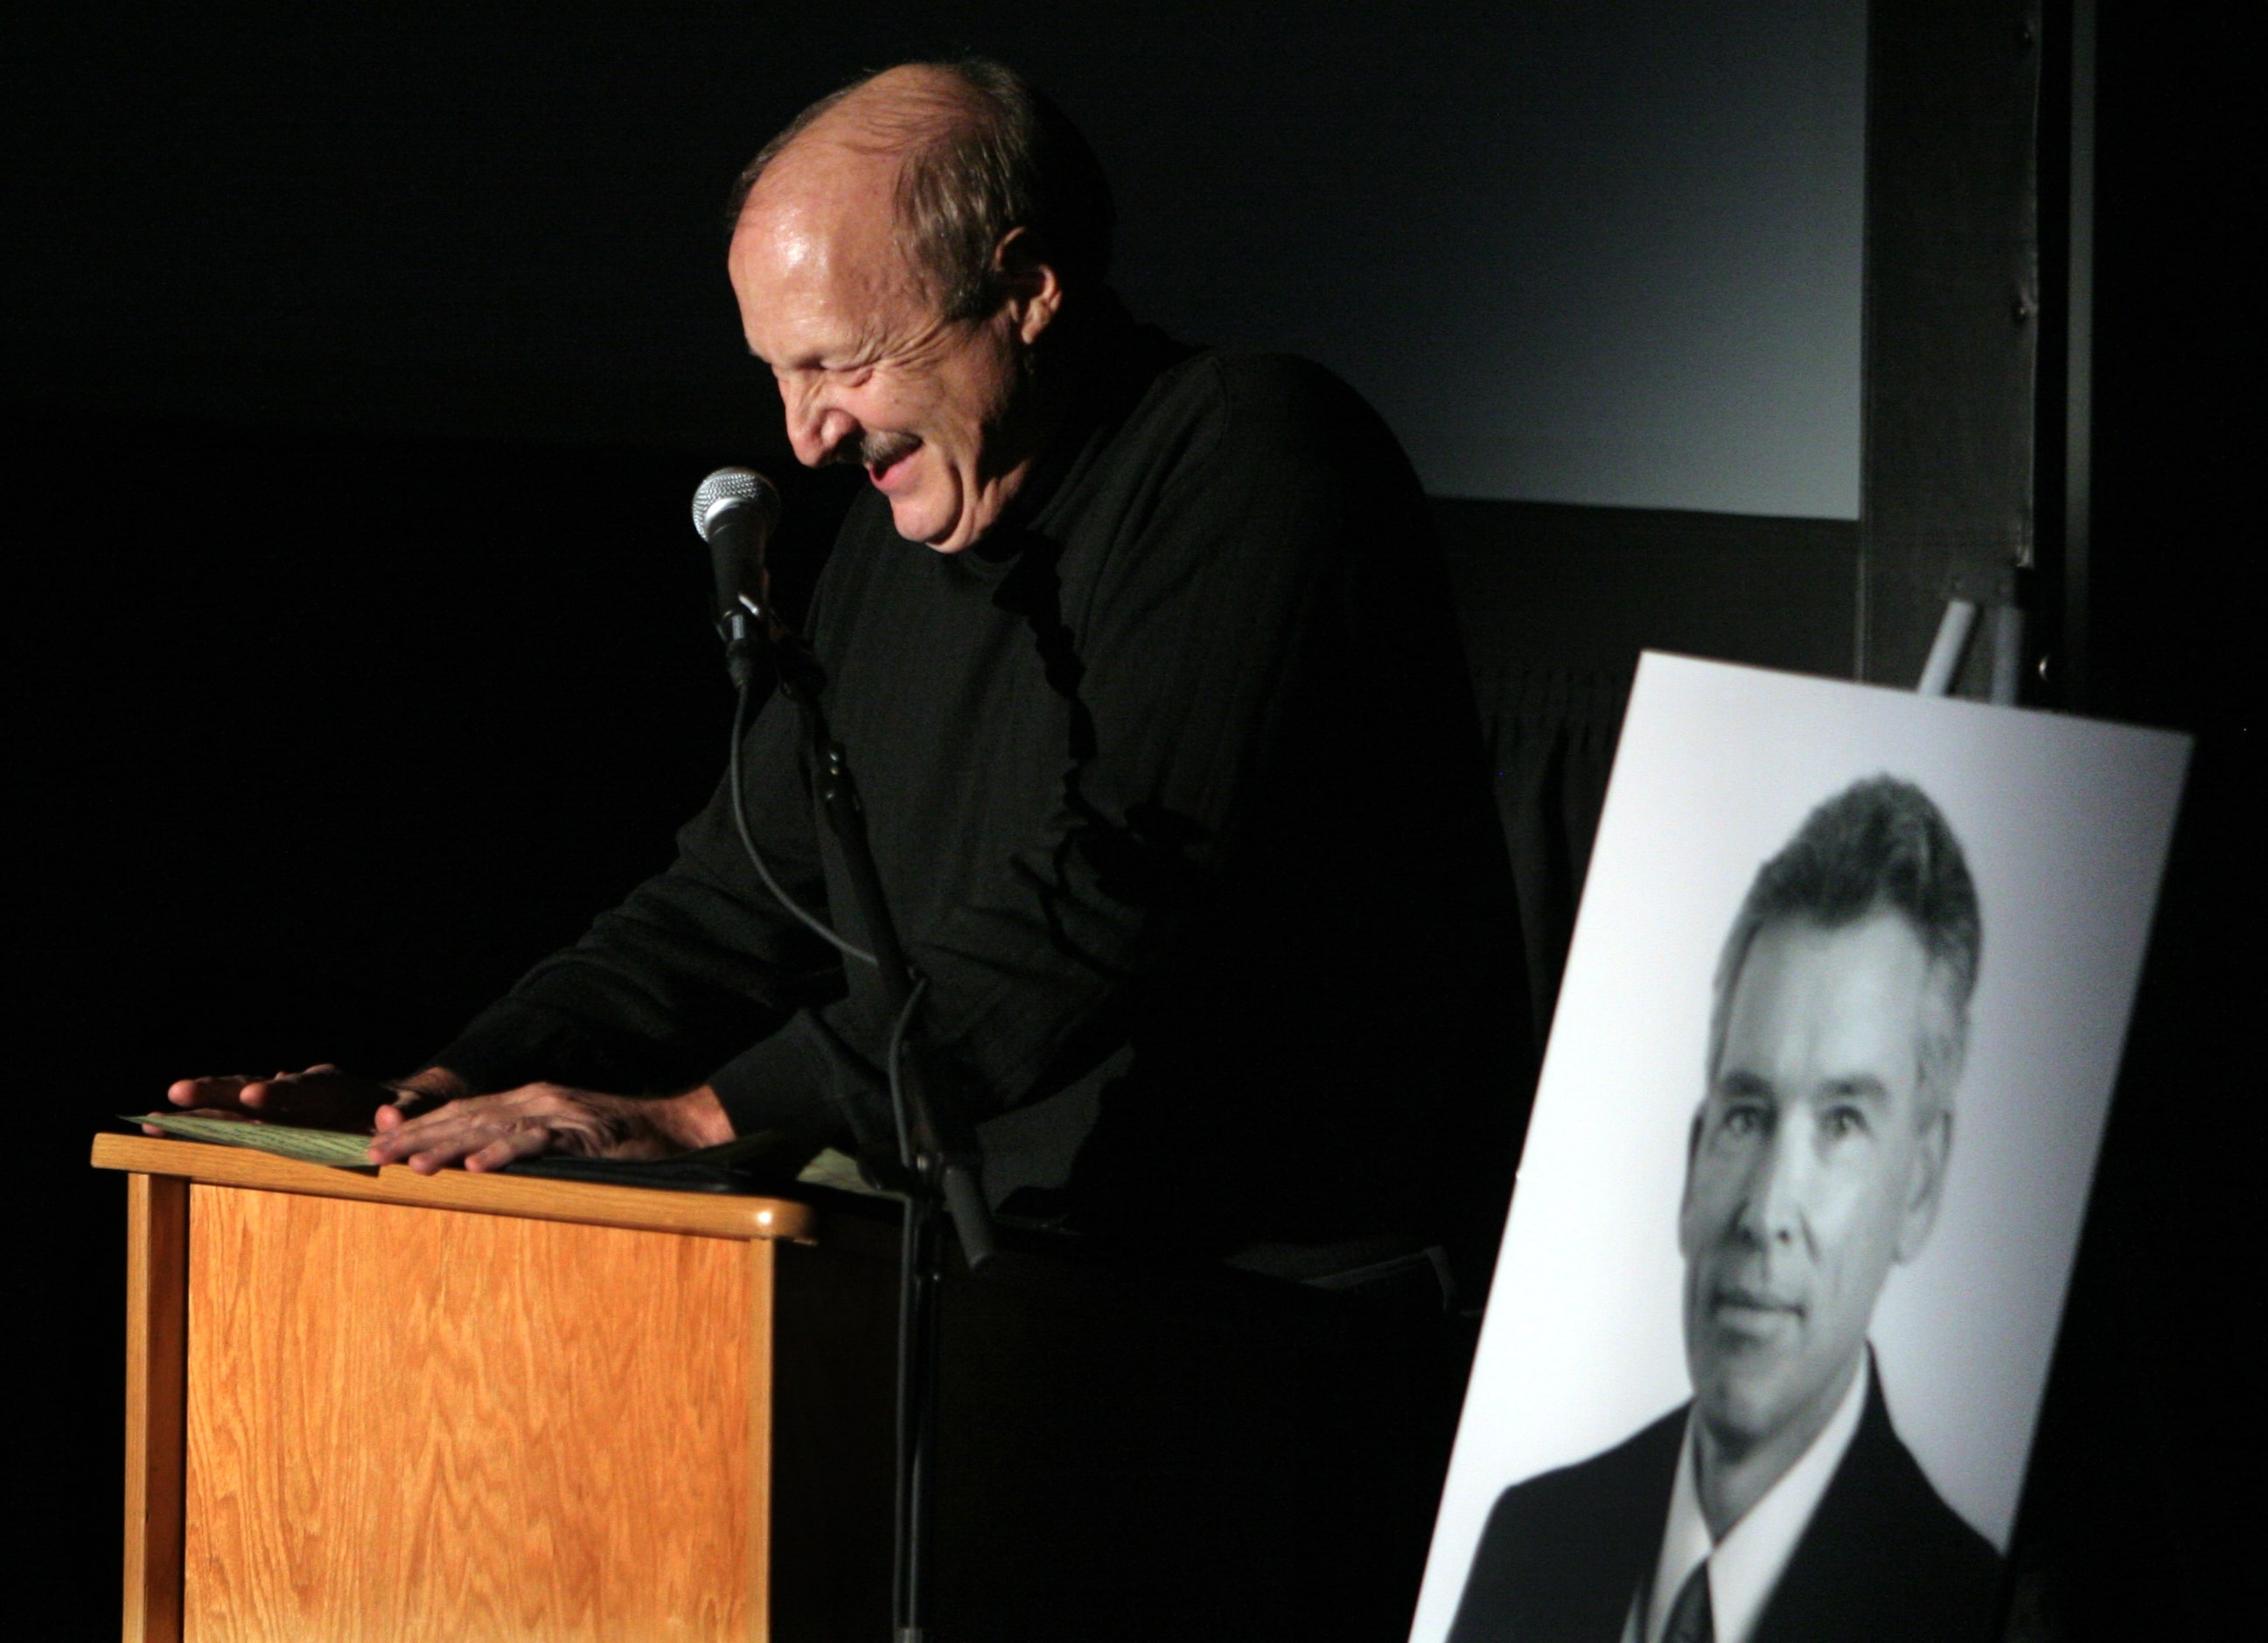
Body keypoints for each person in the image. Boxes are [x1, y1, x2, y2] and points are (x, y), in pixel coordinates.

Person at [160, 59, 1525, 1276]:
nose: (809, 438)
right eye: (777, 374)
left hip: (1243, 1287)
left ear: (1026, 289)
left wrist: (701, 1117)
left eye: (843, 364)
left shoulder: (1250, 453)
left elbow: (1115, 890)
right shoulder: (898, 534)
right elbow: (738, 895)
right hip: (976, 1255)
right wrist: (437, 1094)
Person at [1449, 777, 2002, 1643]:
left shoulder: (1964, 1613)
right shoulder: (1530, 1539)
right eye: (1747, 1114)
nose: (1763, 1210)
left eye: (1842, 1122)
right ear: (1692, 1157)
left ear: (1920, 1187)